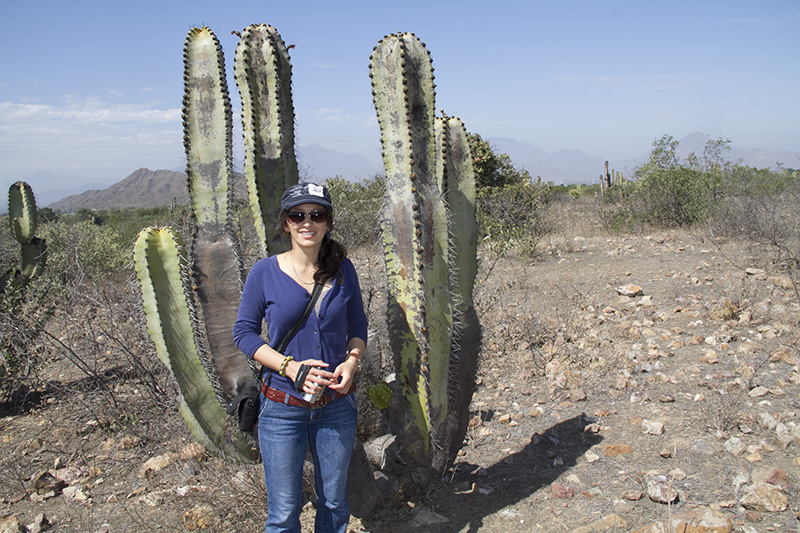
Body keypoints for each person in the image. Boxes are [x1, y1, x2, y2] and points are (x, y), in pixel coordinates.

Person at [233, 182, 367, 533]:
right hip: (281, 406)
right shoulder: (264, 273)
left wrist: (351, 362)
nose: (308, 223)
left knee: (335, 503)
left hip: (336, 404)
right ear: (286, 223)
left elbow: (357, 324)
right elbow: (244, 333)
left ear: (328, 221)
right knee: (283, 514)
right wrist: (291, 368)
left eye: (317, 214)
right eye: (298, 215)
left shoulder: (343, 269)